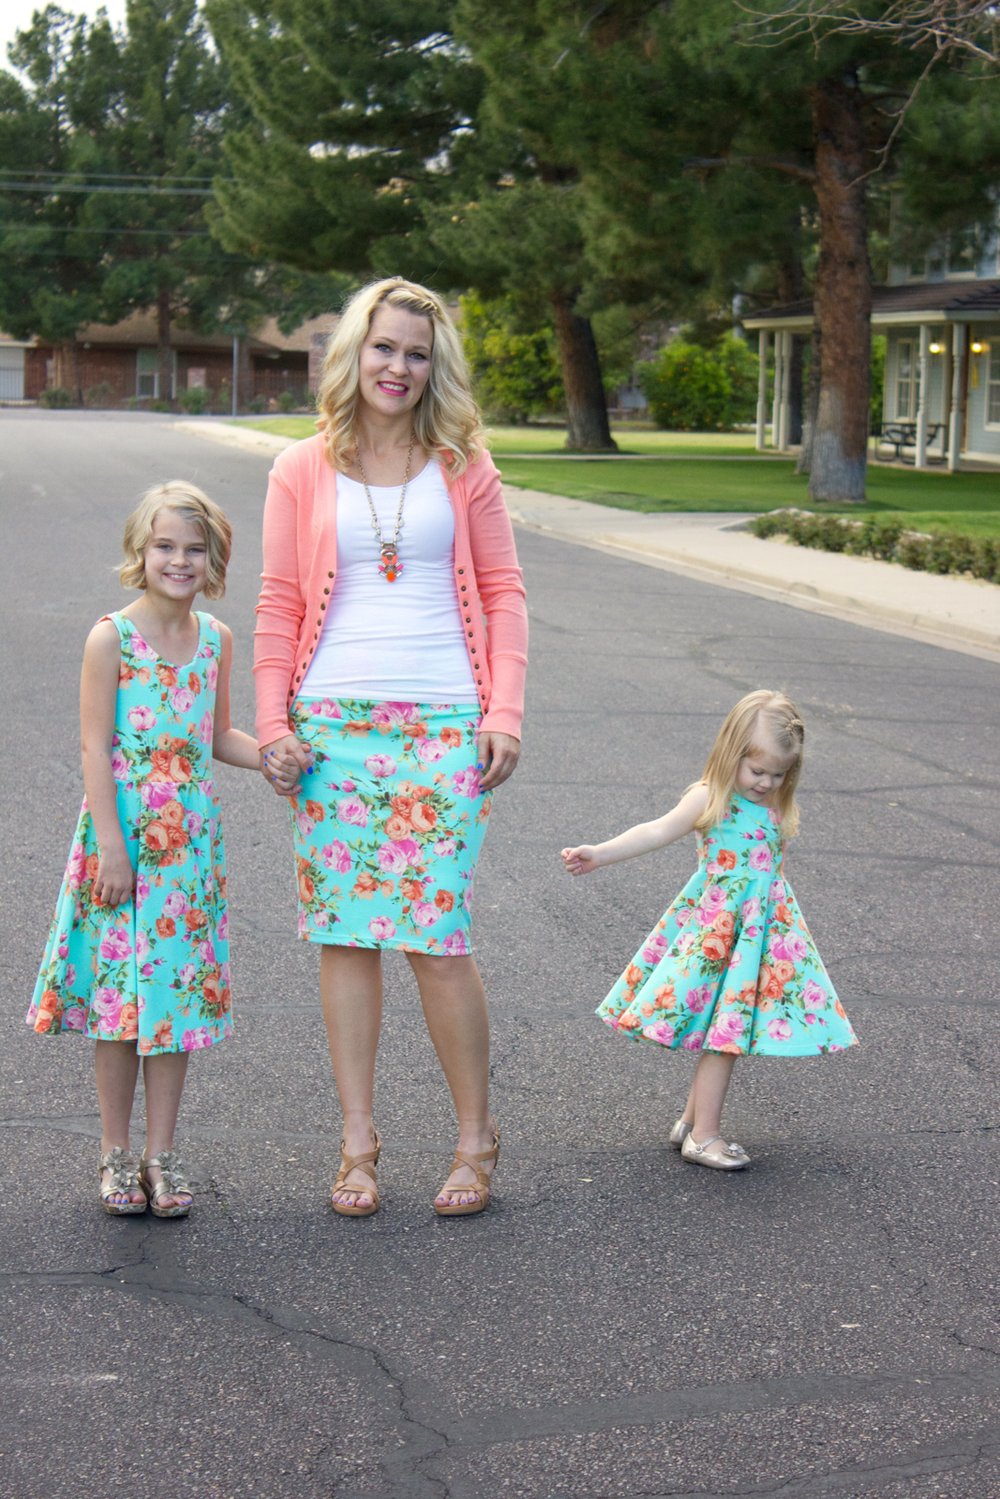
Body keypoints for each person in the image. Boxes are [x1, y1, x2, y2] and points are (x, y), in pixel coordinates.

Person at [255, 276, 528, 1218]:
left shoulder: (464, 463)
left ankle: (472, 1138)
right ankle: (358, 1144)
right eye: (384, 348)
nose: (399, 367)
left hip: (445, 724)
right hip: (331, 728)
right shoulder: (300, 468)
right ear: (353, 354)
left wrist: (507, 711)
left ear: (434, 364)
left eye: (417, 352)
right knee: (344, 937)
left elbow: (503, 593)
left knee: (437, 939)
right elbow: (280, 602)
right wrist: (274, 724)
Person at [27, 482, 286, 1217]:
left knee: (172, 1004)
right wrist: (111, 844)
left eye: (194, 549)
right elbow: (92, 743)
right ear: (140, 552)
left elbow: (216, 736)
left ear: (214, 559)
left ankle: (161, 1156)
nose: (179, 560)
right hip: (122, 842)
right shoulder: (111, 635)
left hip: (188, 852)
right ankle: (114, 1155)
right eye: (165, 546)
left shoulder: (217, 640)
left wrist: (274, 756)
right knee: (119, 1007)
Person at [561, 690, 857, 1170]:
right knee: (726, 1034)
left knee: (728, 1029)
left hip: (760, 935)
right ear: (730, 753)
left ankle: (690, 1122)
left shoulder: (774, 802)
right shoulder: (711, 796)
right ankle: (704, 1136)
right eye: (756, 770)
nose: (765, 782)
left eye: (778, 774)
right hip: (721, 934)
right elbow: (655, 830)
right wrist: (600, 852)